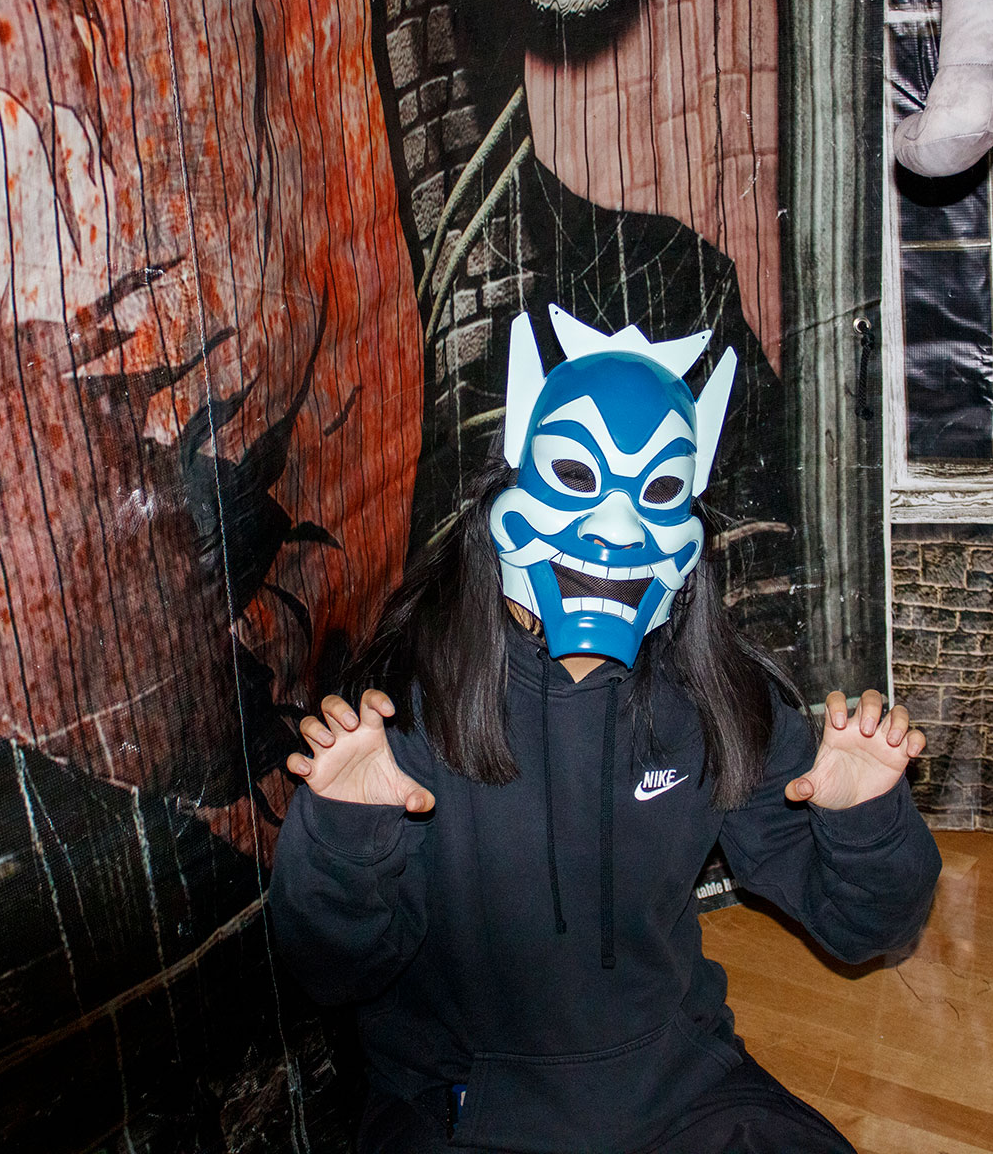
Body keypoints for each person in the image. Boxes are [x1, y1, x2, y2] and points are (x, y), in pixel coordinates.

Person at [268, 308, 942, 1153]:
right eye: (579, 476)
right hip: (465, 1111)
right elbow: (328, 968)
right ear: (504, 496)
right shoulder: (404, 711)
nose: (618, 528)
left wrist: (864, 820)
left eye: (658, 492)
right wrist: (343, 838)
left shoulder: (717, 703)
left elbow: (867, 931)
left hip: (674, 1089)